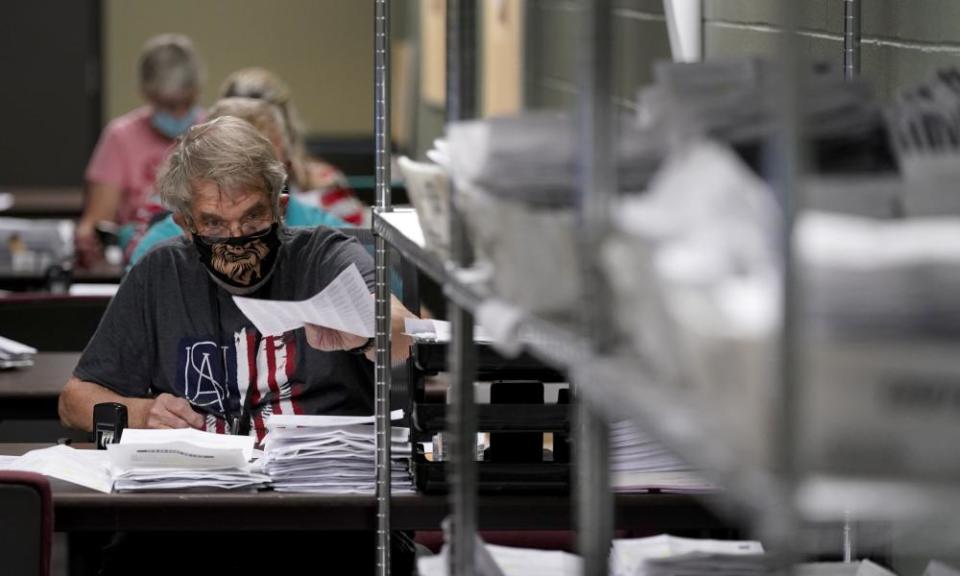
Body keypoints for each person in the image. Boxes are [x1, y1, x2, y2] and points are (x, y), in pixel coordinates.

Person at [59, 116, 415, 574]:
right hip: (189, 523)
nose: (236, 238)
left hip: (324, 521)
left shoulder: (325, 256)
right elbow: (75, 400)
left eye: (253, 217)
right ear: (185, 224)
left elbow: (407, 331)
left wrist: (368, 329)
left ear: (280, 206)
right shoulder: (160, 275)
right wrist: (142, 413)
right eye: (214, 224)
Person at [127, 96, 348, 265]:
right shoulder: (160, 249)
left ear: (285, 169)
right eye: (233, 168)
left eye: (266, 168)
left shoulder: (322, 229)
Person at [76, 34, 204, 267]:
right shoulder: (120, 137)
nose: (176, 115)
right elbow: (97, 222)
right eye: (167, 105)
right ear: (146, 94)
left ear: (196, 91)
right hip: (137, 261)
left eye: (183, 103)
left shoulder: (213, 134)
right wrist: (90, 240)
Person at [221, 67, 368, 225]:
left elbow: (362, 243)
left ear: (283, 136)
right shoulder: (202, 197)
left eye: (265, 136)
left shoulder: (325, 189)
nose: (253, 155)